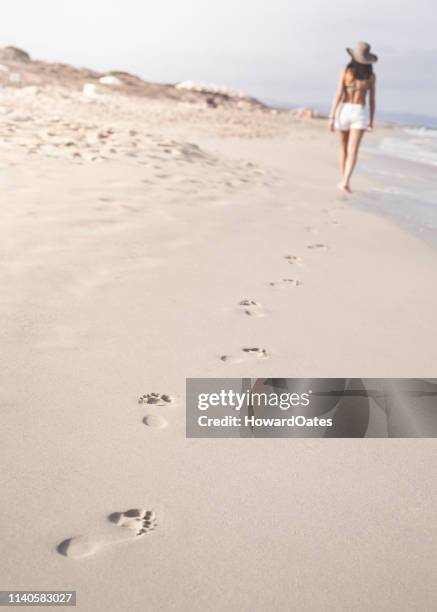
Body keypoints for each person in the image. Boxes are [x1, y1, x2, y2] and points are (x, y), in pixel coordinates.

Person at [329, 42, 378, 193]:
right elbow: (372, 100)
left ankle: (343, 180)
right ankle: (345, 181)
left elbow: (338, 94)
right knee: (353, 150)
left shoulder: (345, 71)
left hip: (344, 109)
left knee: (343, 148)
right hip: (360, 111)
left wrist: (331, 116)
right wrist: (370, 120)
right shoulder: (371, 76)